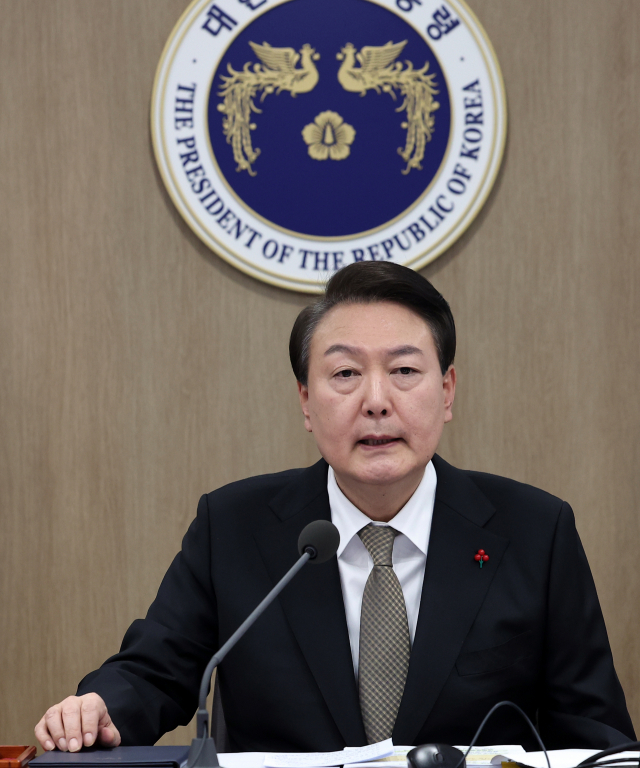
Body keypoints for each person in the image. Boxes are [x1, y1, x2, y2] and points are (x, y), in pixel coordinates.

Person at [35, 262, 634, 754]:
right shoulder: (235, 527)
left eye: (404, 370)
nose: (376, 401)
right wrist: (101, 707)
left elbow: (595, 734)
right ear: (305, 400)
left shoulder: (535, 531)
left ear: (447, 391)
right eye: (345, 373)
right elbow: (155, 671)